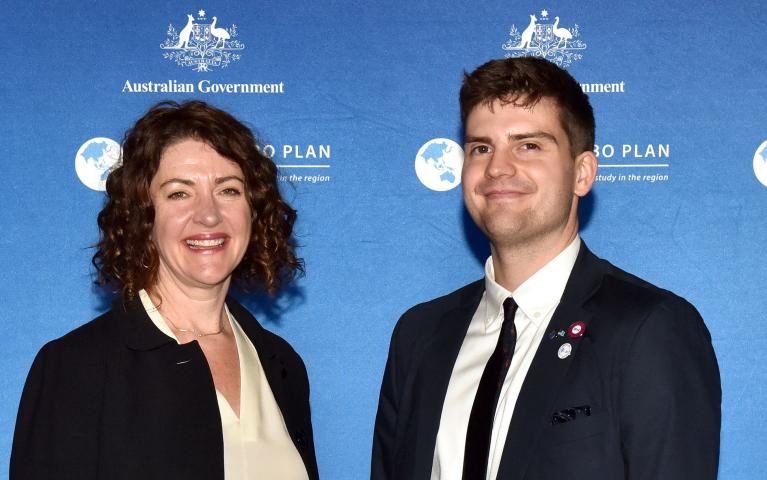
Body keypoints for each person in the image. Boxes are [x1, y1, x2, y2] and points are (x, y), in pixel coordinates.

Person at [371, 57, 721, 480]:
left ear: (582, 173)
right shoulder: (418, 336)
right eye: (482, 147)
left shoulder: (649, 328)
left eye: (528, 145)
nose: (498, 168)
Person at [11, 100, 319, 480]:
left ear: (253, 212)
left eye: (228, 190)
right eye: (179, 193)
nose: (209, 214)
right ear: (143, 216)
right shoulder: (76, 367)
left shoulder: (281, 364)